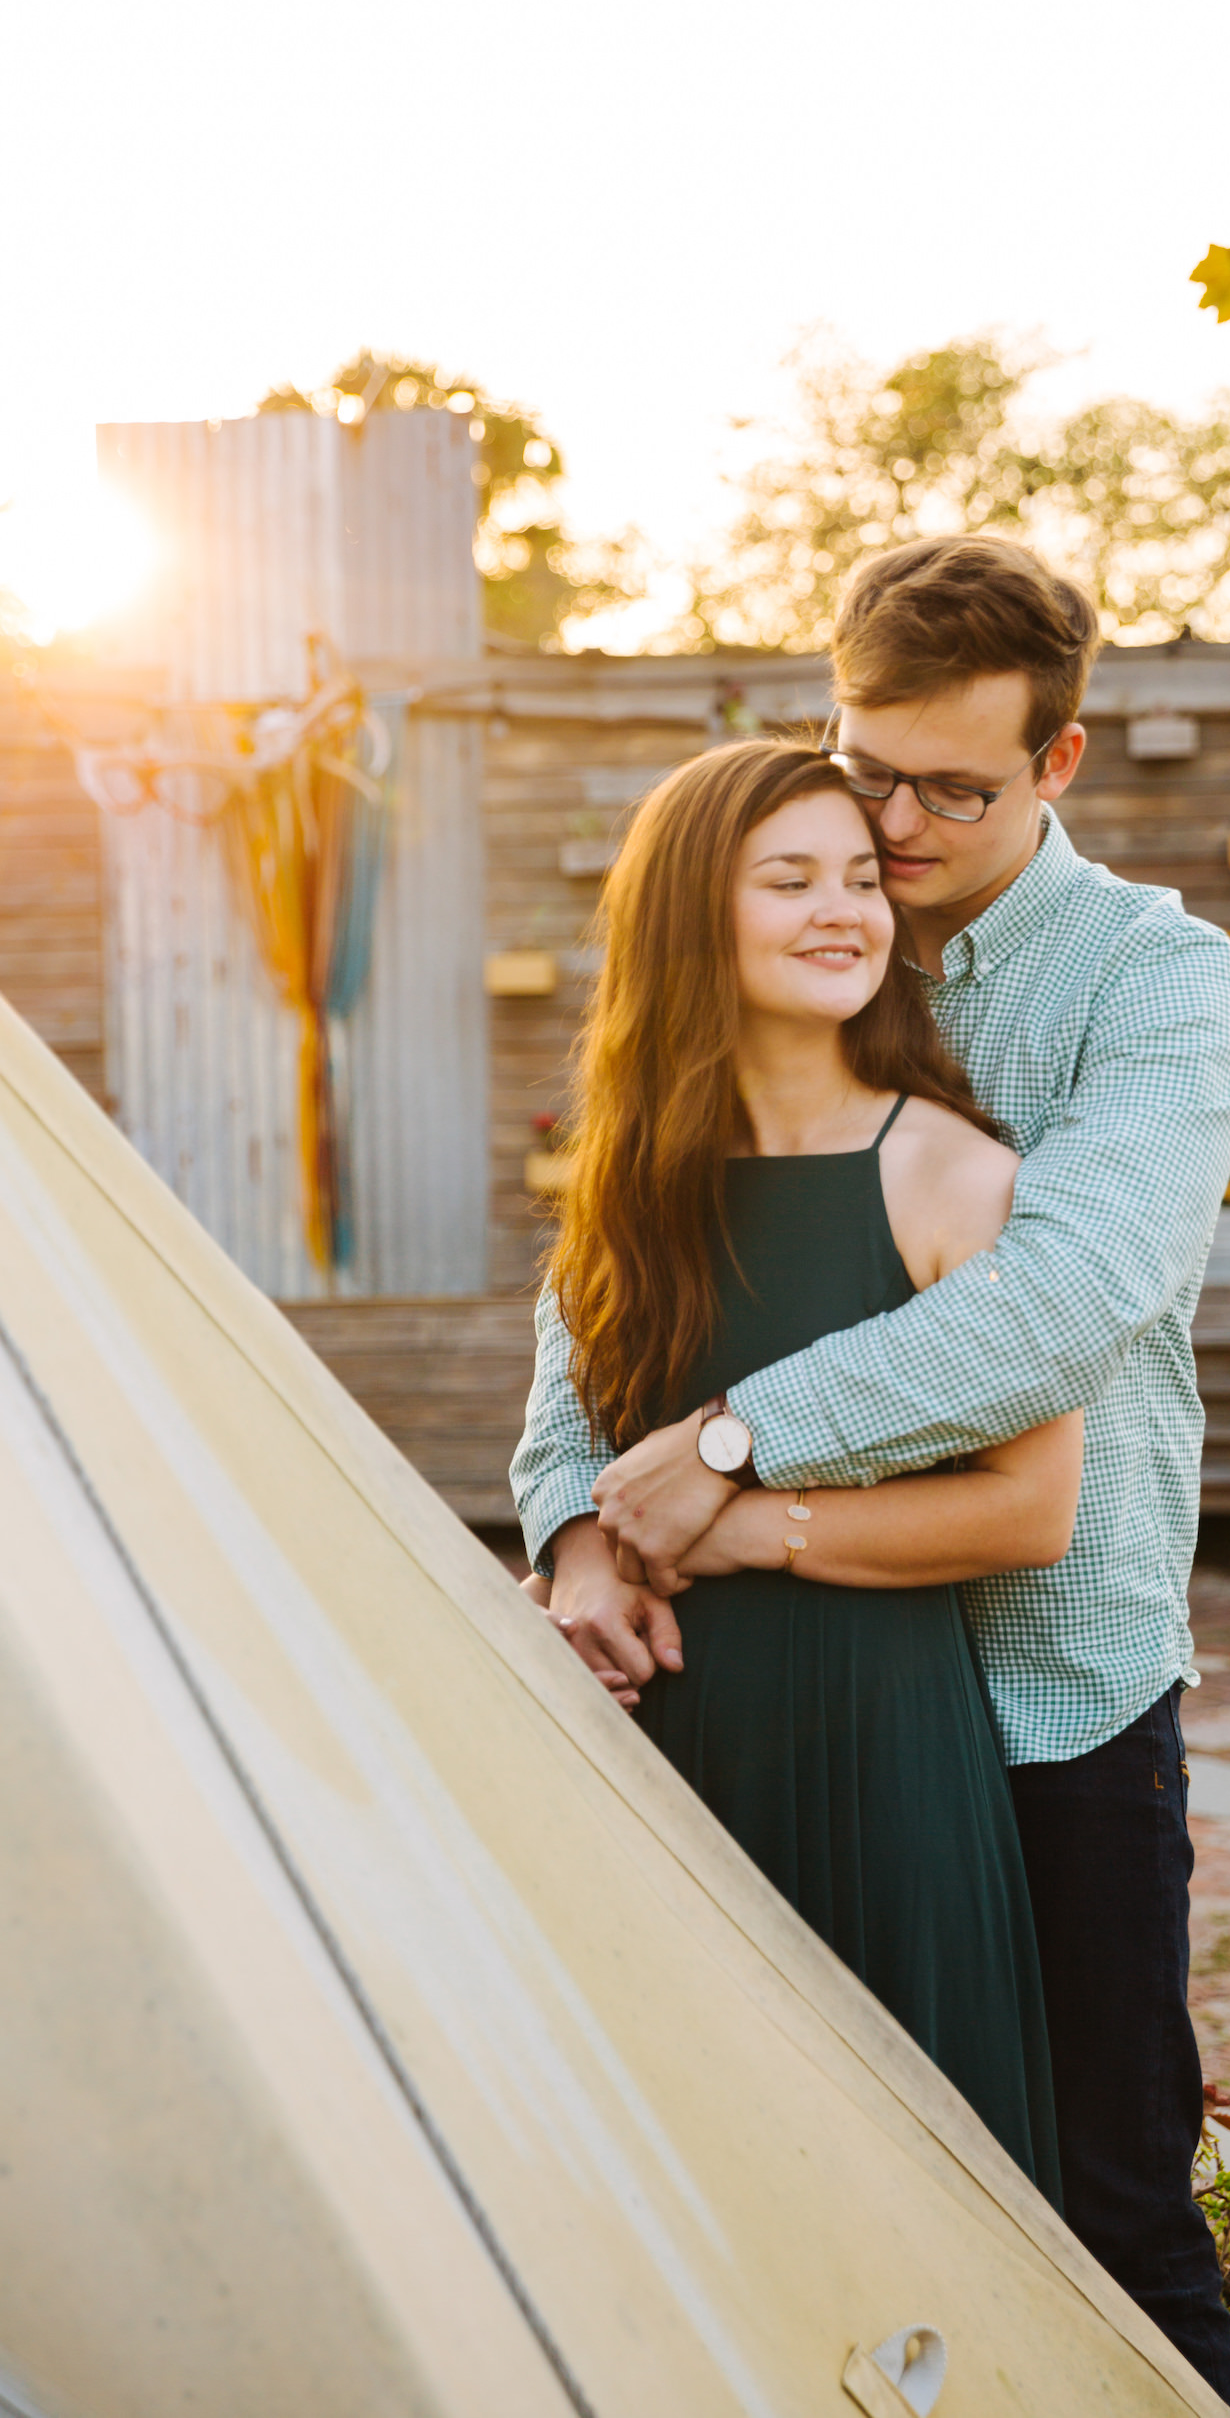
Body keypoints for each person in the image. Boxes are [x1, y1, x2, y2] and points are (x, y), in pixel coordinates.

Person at [513, 534, 1230, 2412]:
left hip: (1051, 1692)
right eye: (868, 774)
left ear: (1061, 763)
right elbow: (591, 1309)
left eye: (956, 790)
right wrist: (577, 1526)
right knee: (745, 2185)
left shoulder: (1156, 984)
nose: (899, 829)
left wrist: (722, 1461)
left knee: (1098, 2205)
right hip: (766, 1708)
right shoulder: (765, 947)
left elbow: (1063, 1304)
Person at [518, 731, 1076, 2202]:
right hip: (662, 1745)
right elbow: (573, 1427)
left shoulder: (954, 1174)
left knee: (905, 2206)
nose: (846, 910)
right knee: (682, 2196)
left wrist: (744, 1527)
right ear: (695, 913)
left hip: (880, 1753)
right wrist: (581, 1555)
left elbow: (1033, 1509)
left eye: (859, 879)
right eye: (790, 878)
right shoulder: (631, 1177)